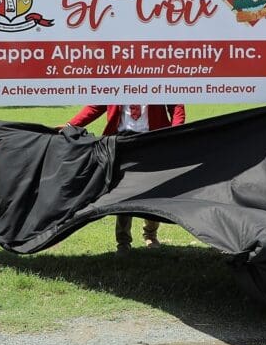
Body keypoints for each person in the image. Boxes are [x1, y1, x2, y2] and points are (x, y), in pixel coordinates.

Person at [66, 104, 186, 253]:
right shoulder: (116, 81)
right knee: (123, 193)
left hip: (154, 139)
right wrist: (70, 126)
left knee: (154, 190)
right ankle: (123, 242)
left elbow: (175, 105)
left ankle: (150, 234)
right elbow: (97, 106)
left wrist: (177, 130)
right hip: (121, 142)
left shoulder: (157, 80)